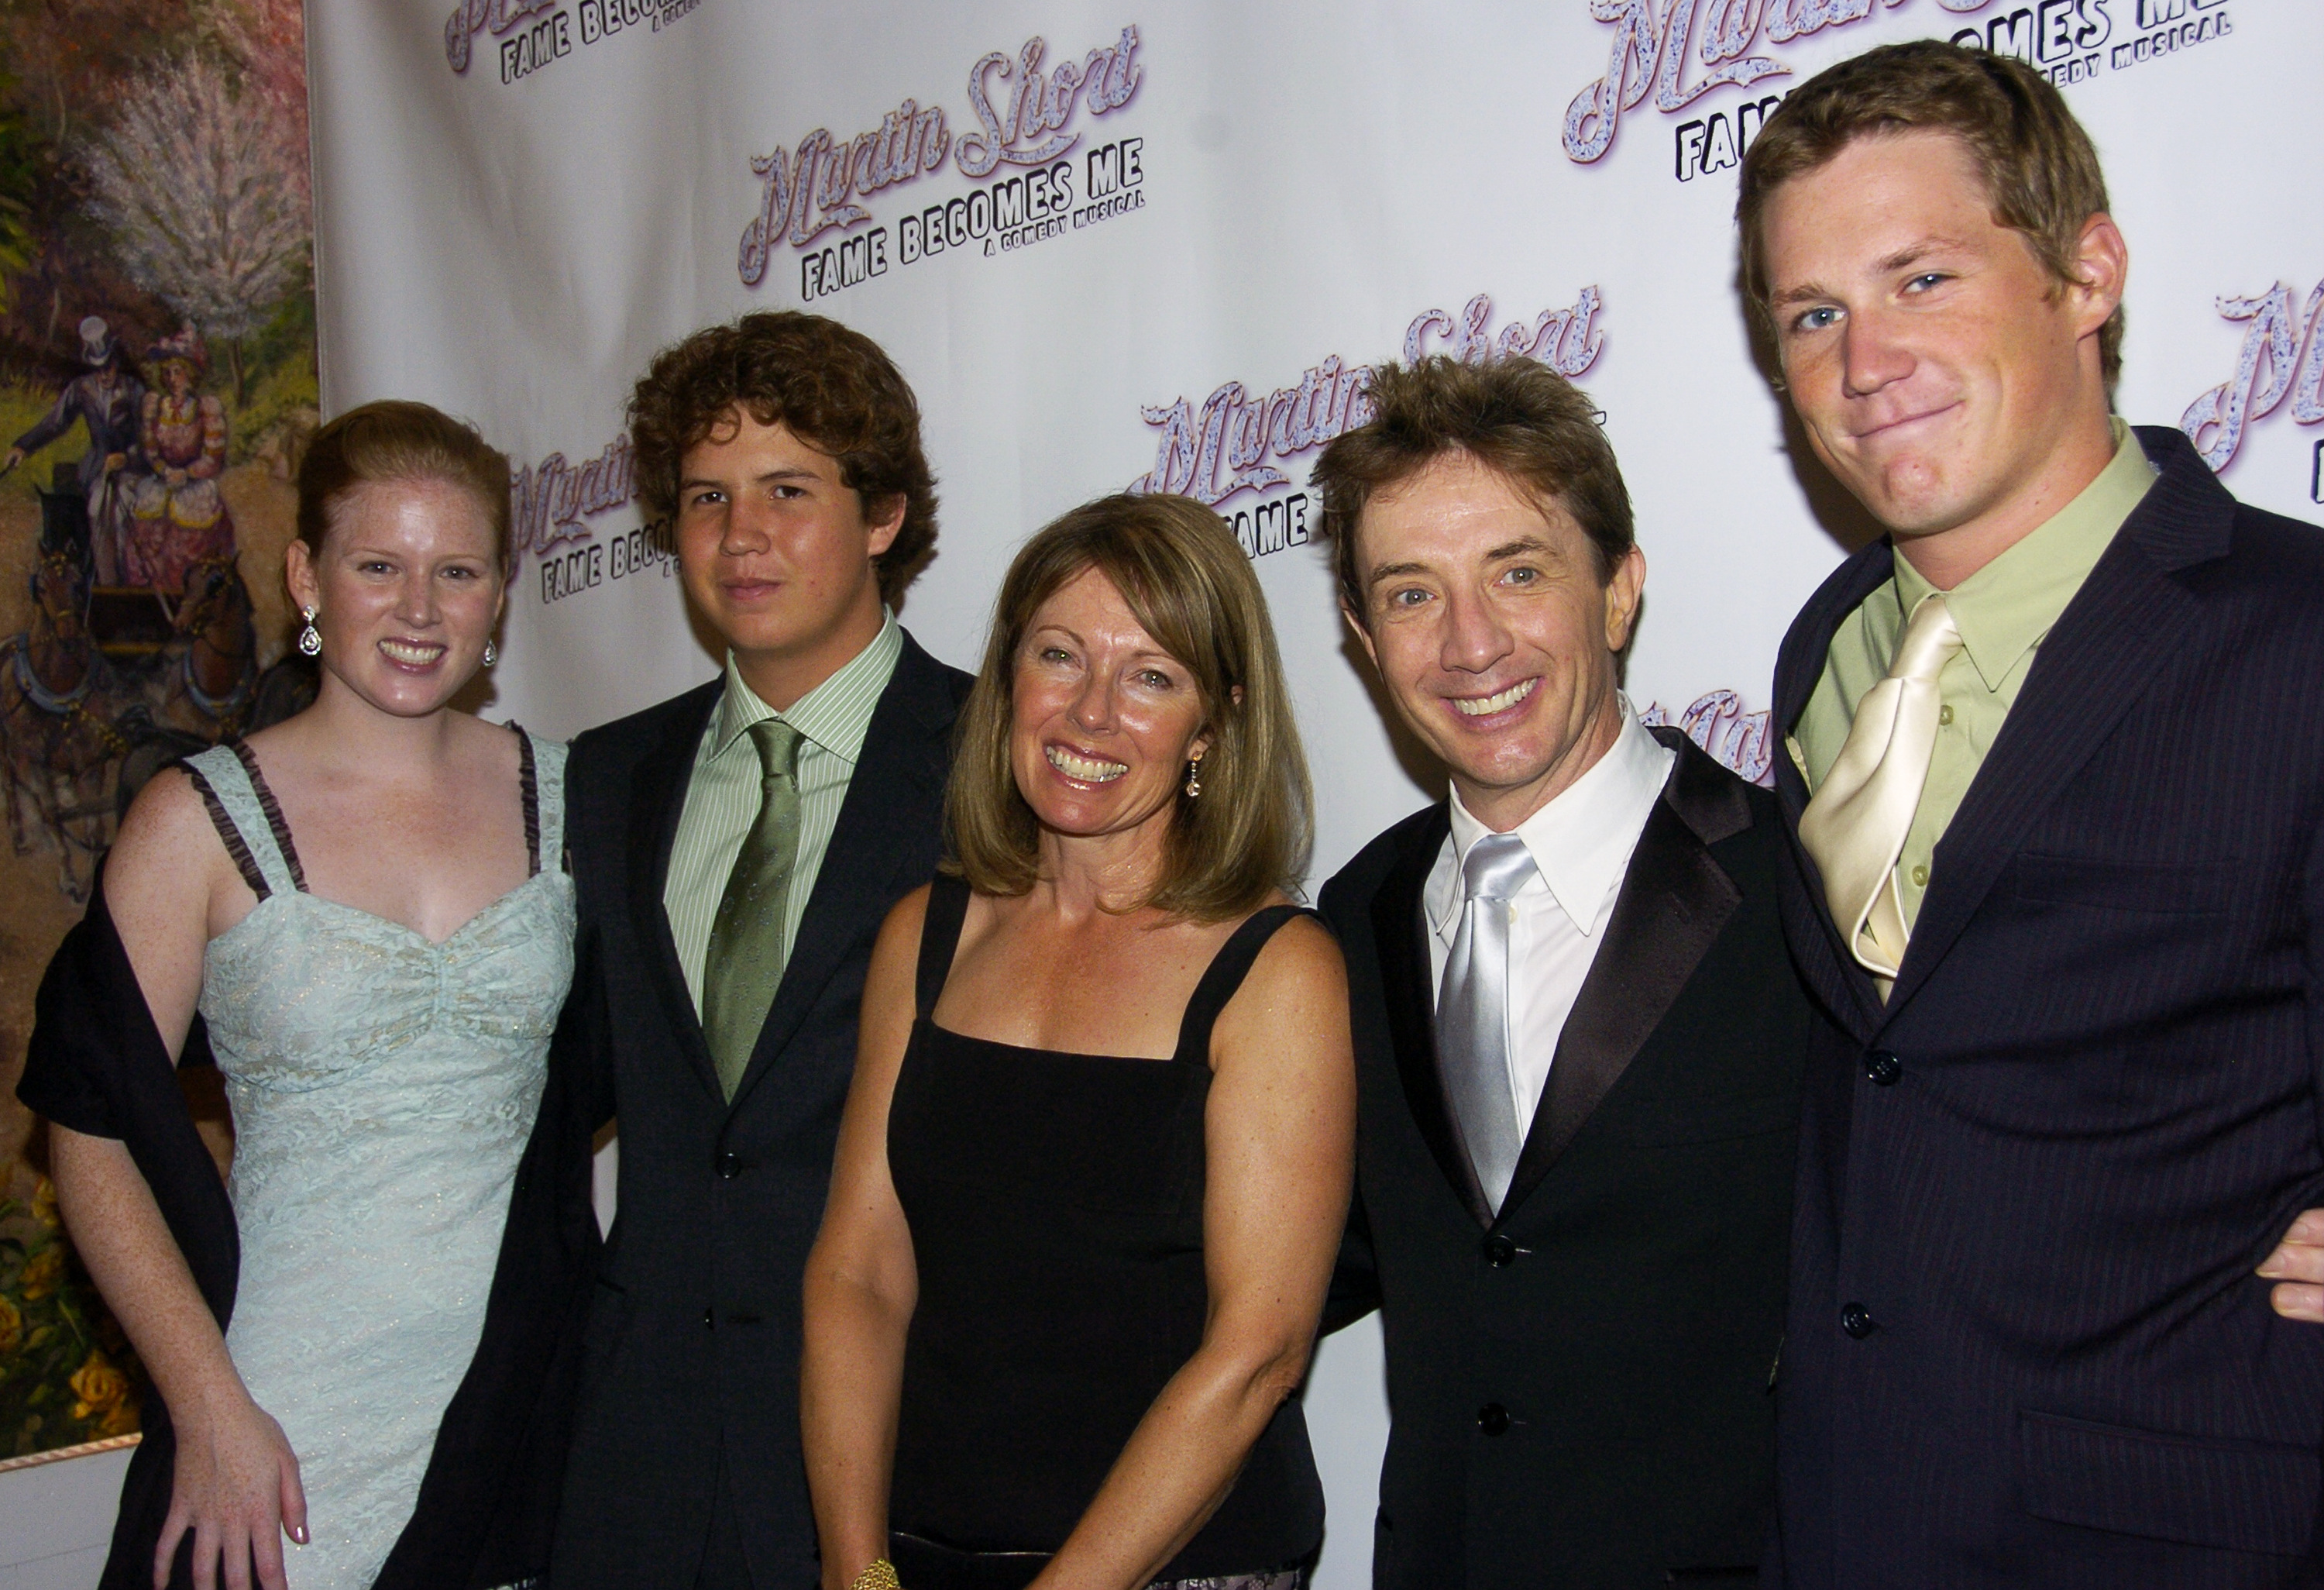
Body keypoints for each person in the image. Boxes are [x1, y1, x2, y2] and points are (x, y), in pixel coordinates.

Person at [1740, 40, 2324, 1586]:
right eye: (1813, 314)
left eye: (1921, 278)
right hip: (1850, 1520)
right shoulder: (1829, 650)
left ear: (2086, 275)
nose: (1864, 363)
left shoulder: (2300, 635)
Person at [19, 399, 578, 1590]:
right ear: (306, 578)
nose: (420, 611)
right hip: (282, 1421)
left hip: (525, 1405)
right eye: (379, 566)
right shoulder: (197, 822)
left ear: (498, 597)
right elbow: (88, 1131)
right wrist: (208, 1404)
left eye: (458, 571)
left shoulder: (575, 797)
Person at [1309, 353, 1809, 1588]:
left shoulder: (1803, 894)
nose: (1471, 643)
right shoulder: (1356, 913)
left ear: (1620, 592)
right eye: (1412, 595)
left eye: (1519, 573)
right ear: (1366, 641)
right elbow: (1321, 1251)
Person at [801, 491, 1353, 1590]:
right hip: (915, 1552)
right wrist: (855, 1569)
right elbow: (859, 1271)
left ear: (1213, 722)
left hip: (1181, 1566)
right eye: (1061, 656)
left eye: (1150, 676)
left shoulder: (1278, 970)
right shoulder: (929, 934)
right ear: (1010, 675)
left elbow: (1258, 1353)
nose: (1091, 714)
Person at [551, 311, 973, 1590]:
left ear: (884, 513)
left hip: (905, 1454)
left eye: (789, 490)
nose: (741, 537)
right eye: (705, 498)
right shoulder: (608, 779)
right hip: (638, 1455)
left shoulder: (1002, 772)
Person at [4, 315, 146, 584]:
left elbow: (148, 436)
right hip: (97, 470)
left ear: (116, 361)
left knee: (124, 512)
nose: (105, 373)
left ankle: (132, 583)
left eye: (109, 366)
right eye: (99, 367)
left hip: (131, 469)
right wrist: (23, 446)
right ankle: (108, 586)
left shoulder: (133, 389)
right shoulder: (82, 389)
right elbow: (55, 423)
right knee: (96, 510)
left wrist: (127, 457)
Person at [125, 327, 238, 598]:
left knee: (188, 539)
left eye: (178, 372)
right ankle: (148, 600)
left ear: (191, 375)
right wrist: (164, 470)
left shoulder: (205, 409)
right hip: (163, 481)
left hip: (195, 484)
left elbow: (213, 456)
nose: (172, 379)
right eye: (167, 373)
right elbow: (151, 450)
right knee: (143, 529)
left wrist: (187, 474)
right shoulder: (155, 407)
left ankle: (190, 599)